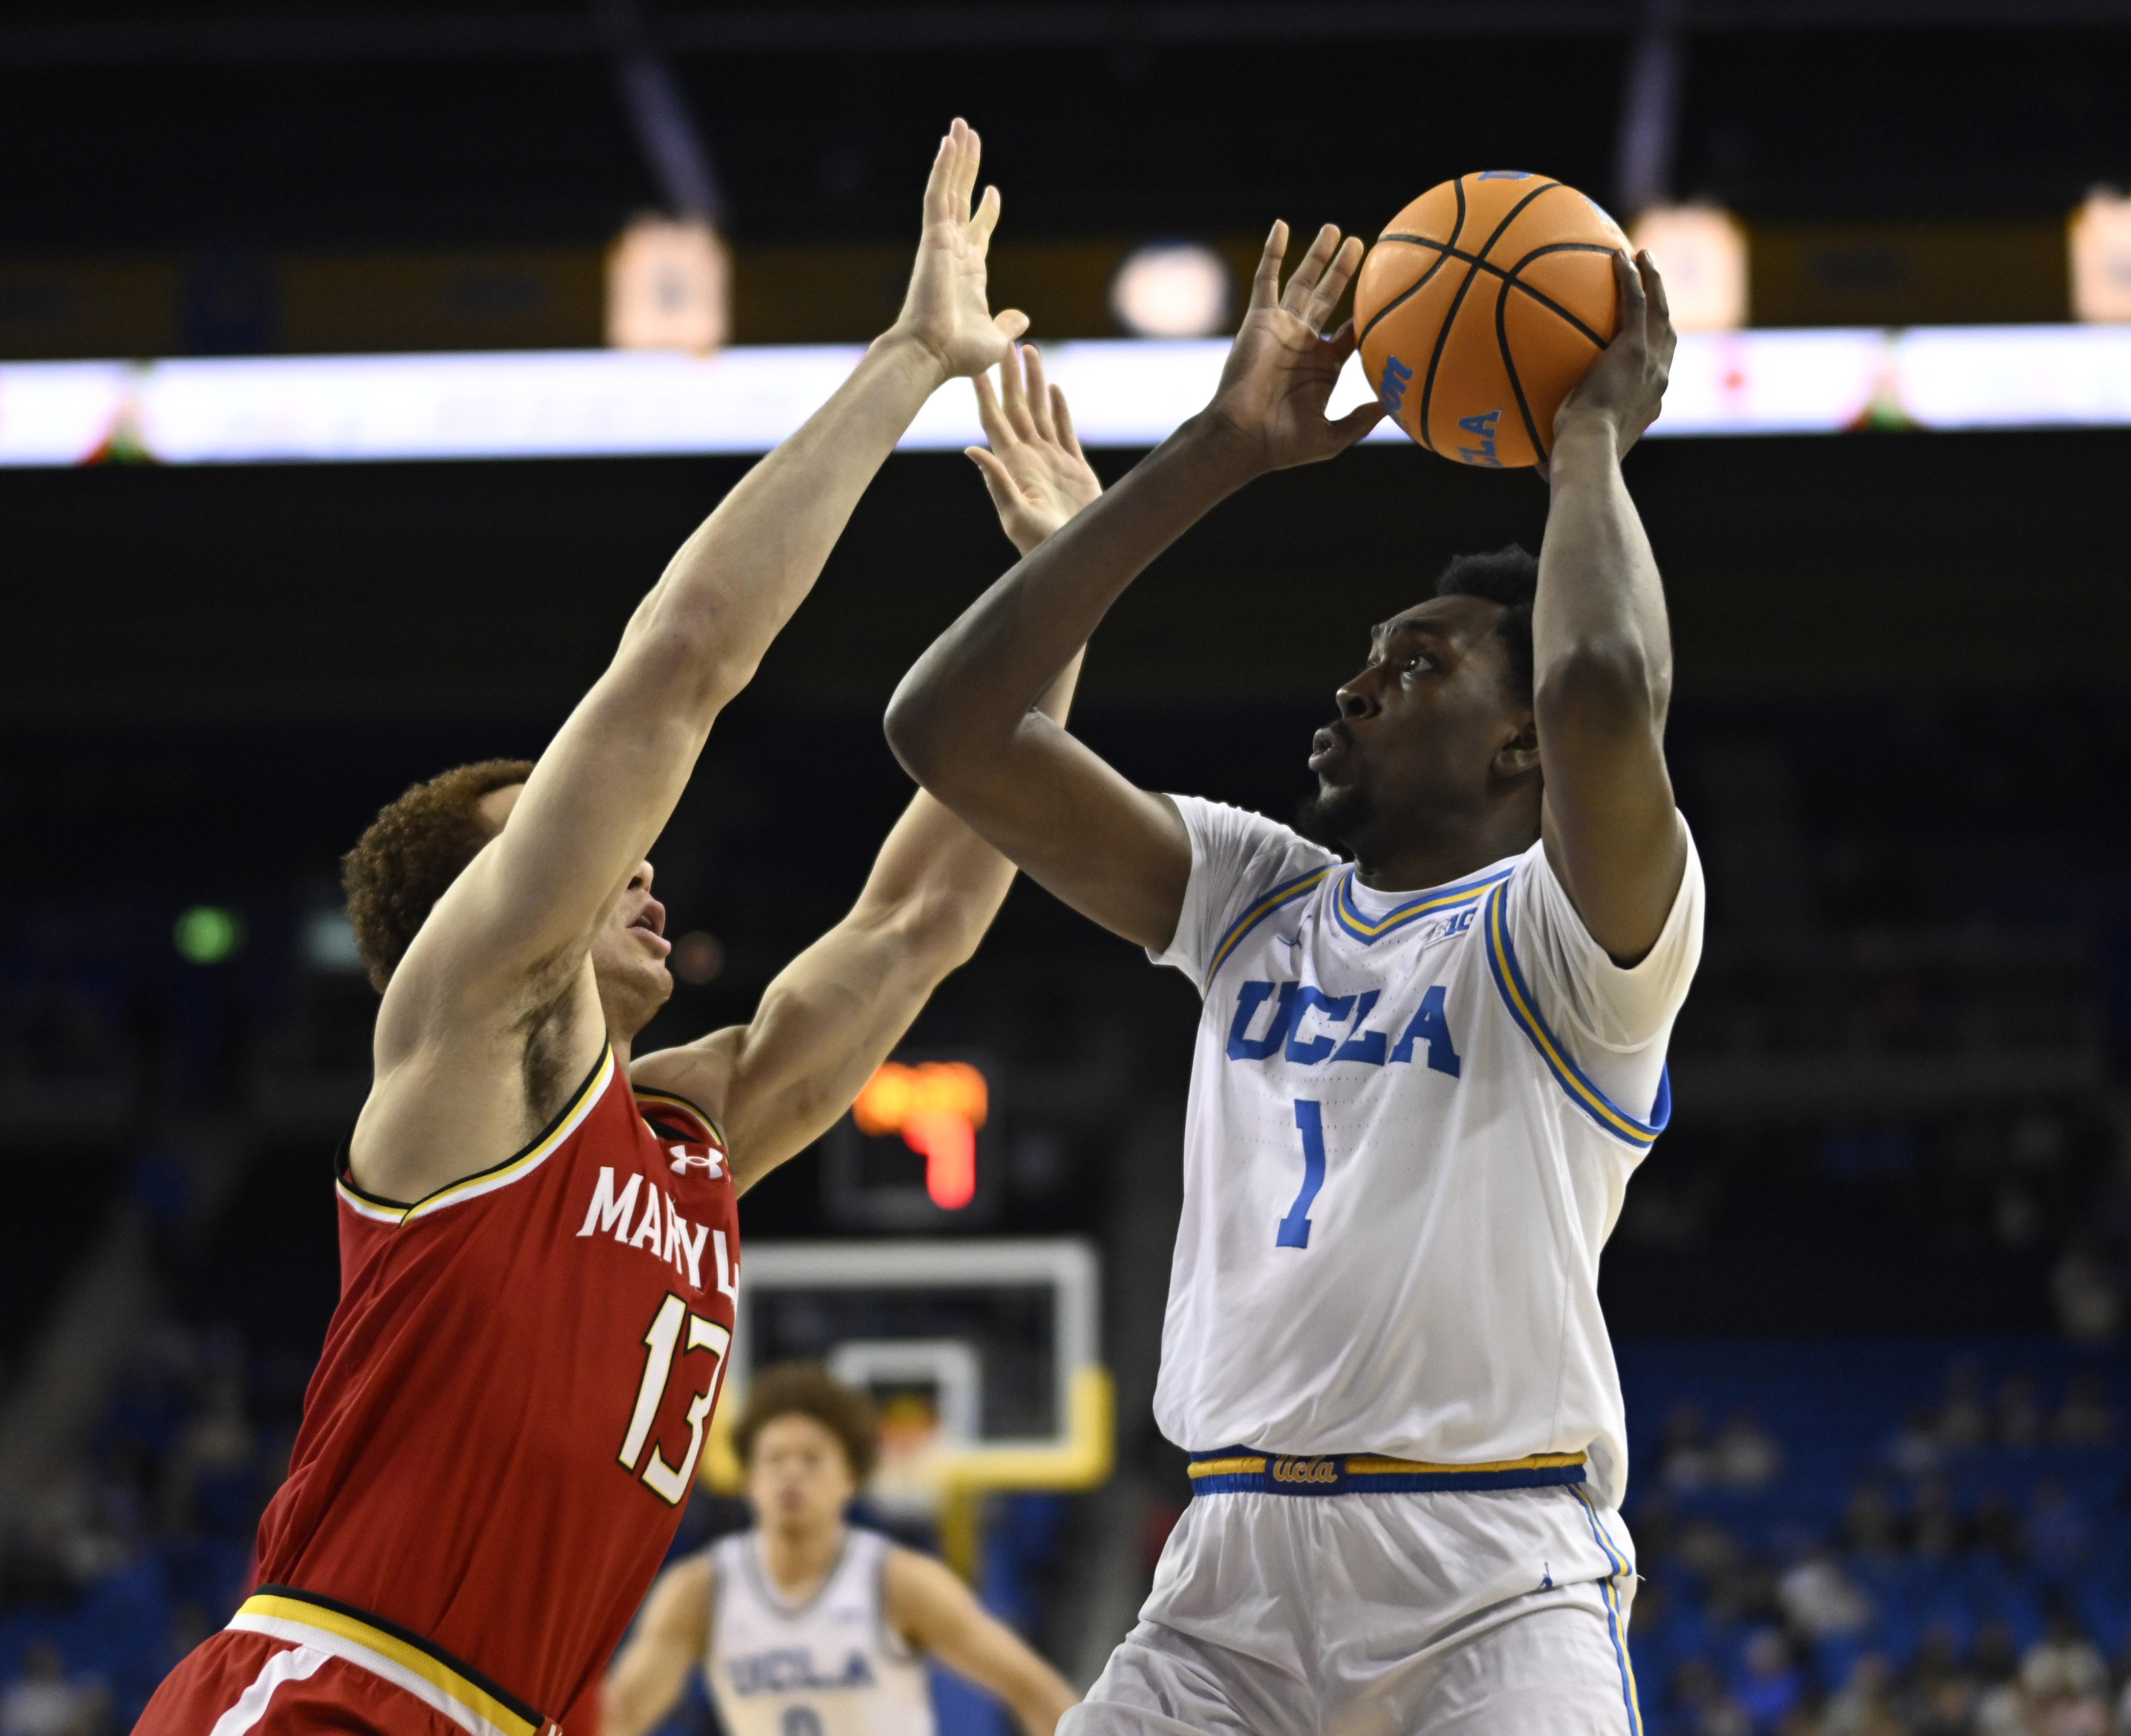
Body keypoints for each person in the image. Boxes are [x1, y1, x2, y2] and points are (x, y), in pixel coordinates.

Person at [139, 120, 1100, 1736]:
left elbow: (923, 917)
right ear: (485, 910)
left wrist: (1069, 584)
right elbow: (679, 668)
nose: (636, 865)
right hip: (342, 1688)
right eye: (563, 848)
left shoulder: (687, 1132)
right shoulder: (468, 1037)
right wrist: (911, 358)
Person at [886, 219, 1700, 1732]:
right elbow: (949, 732)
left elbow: (1602, 683)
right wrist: (1218, 448)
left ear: (1516, 741)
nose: (1356, 679)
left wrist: (1587, 439)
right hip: (1224, 1588)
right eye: (1363, 655)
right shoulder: (1254, 893)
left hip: (1491, 1576)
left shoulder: (1570, 935)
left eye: (1416, 664)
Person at [604, 1365, 1078, 1736]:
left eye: (811, 1459)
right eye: (774, 1459)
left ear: (849, 1478)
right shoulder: (699, 1590)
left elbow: (1036, 1690)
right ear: (749, 1479)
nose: (791, 1473)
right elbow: (623, 1715)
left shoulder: (896, 1581)